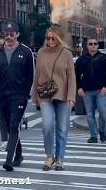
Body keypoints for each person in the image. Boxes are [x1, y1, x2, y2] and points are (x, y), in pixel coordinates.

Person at [0, 22, 34, 171]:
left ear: (17, 34)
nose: (9, 37)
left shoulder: (26, 51)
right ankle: (19, 155)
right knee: (10, 126)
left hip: (19, 95)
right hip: (3, 94)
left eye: (12, 34)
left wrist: (27, 92)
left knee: (14, 124)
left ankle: (9, 159)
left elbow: (30, 75)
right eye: (6, 34)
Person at [31, 24, 76, 171]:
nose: (49, 41)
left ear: (59, 38)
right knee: (47, 126)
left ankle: (60, 159)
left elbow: (71, 77)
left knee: (62, 129)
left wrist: (71, 96)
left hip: (63, 95)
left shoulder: (66, 53)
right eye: (47, 38)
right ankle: (49, 156)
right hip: (45, 95)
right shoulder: (41, 53)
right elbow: (37, 75)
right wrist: (34, 96)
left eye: (52, 38)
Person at [75, 38, 106, 143]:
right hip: (87, 91)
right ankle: (93, 136)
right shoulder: (81, 59)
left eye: (95, 44)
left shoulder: (104, 58)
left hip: (101, 90)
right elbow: (76, 75)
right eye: (90, 44)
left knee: (103, 112)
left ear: (98, 46)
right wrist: (79, 88)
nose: (93, 45)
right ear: (87, 46)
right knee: (90, 114)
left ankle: (102, 130)